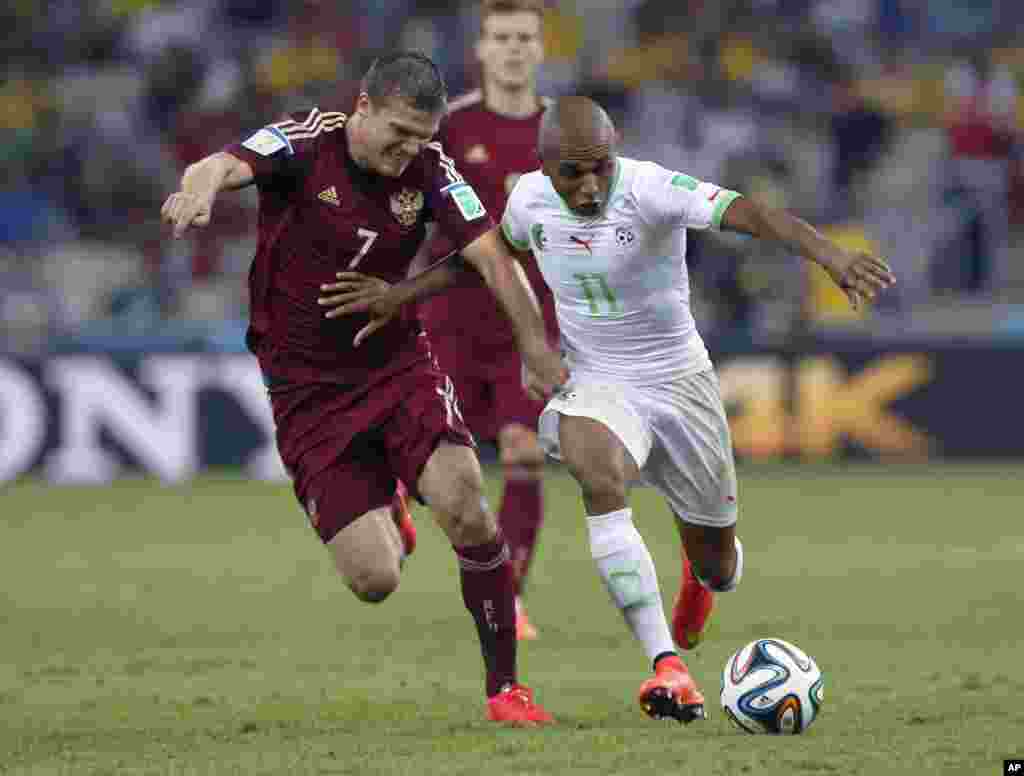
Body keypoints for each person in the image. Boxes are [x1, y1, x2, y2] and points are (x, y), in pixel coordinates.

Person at [324, 96, 895, 723]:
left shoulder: (651, 189)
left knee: (721, 565)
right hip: (596, 380)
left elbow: (751, 214)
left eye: (600, 166)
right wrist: (398, 294)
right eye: (572, 172)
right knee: (596, 473)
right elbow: (478, 262)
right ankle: (667, 667)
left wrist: (832, 256)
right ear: (542, 166)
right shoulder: (529, 201)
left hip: (680, 384)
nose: (590, 184)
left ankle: (698, 576)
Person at [159, 52, 566, 726]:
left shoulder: (431, 168)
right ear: (365, 107)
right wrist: (200, 189)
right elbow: (225, 164)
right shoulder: (305, 141)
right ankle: (391, 500)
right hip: (306, 392)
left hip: (396, 366)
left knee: (467, 505)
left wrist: (535, 346)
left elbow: (493, 256)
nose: (408, 149)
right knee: (375, 579)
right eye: (399, 132)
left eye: (421, 137)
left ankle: (506, 691)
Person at [405, 0, 556, 641]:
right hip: (450, 319)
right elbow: (409, 211)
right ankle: (400, 506)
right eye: (502, 37)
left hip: (528, 317)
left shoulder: (565, 133)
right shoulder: (447, 127)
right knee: (436, 465)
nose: (514, 49)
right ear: (483, 49)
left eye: (525, 37)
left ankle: (509, 597)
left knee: (525, 451)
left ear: (542, 48)